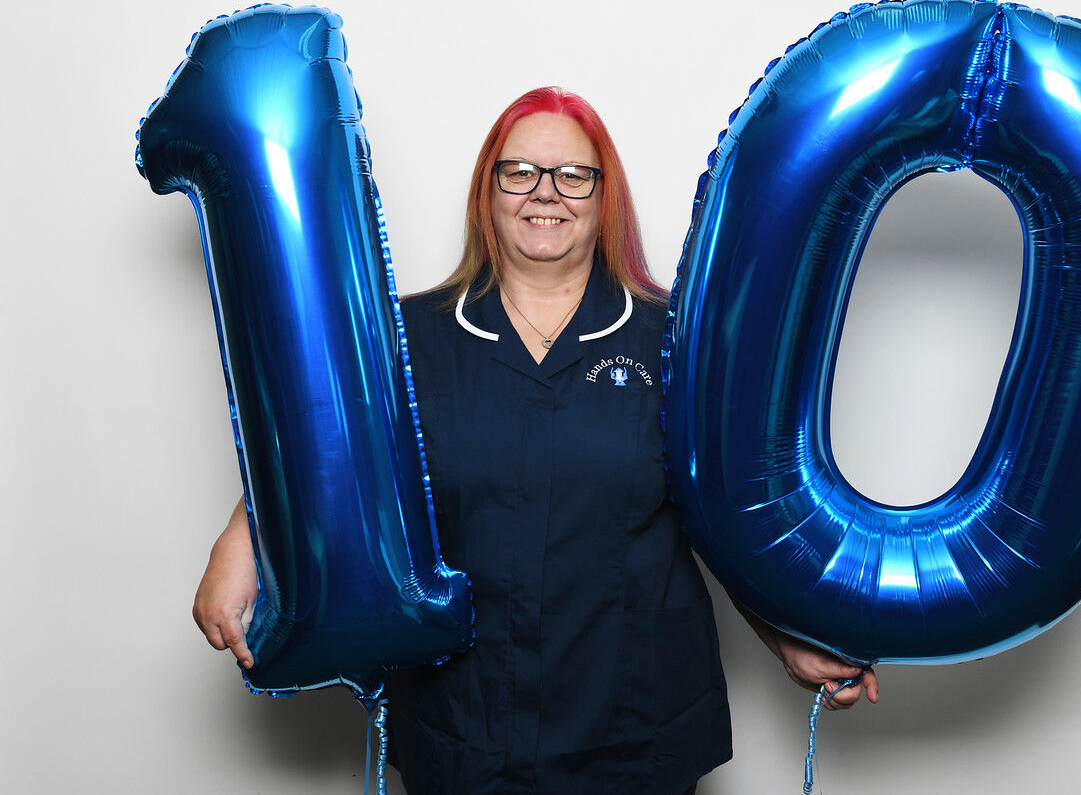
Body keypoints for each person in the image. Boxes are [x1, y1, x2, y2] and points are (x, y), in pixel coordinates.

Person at [193, 87, 878, 795]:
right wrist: (240, 540)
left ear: (603, 195)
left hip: (633, 728)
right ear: (487, 191)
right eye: (518, 172)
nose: (544, 193)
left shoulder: (680, 340)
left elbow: (732, 518)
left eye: (573, 174)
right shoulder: (401, 340)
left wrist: (784, 635)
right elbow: (324, 446)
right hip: (463, 725)